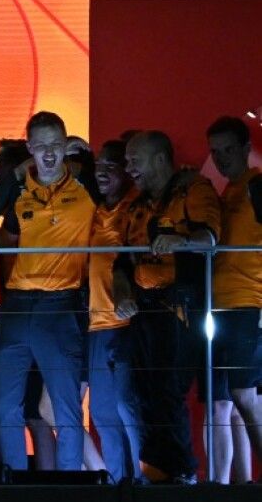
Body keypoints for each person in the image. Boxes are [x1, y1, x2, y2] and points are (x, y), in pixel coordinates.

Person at [0, 111, 96, 475]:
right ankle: (14, 483)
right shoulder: (20, 191)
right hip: (16, 306)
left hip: (62, 304)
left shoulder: (86, 185)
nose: (49, 154)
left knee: (66, 409)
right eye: (40, 146)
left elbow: (122, 185)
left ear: (66, 146)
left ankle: (68, 487)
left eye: (56, 145)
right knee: (7, 407)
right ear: (30, 148)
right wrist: (17, 173)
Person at [122, 129, 222, 483]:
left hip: (180, 308)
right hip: (143, 311)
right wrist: (123, 294)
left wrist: (179, 241)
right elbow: (122, 262)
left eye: (135, 160)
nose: (128, 168)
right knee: (143, 392)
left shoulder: (193, 190)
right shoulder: (136, 205)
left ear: (161, 159)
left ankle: (182, 475)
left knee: (168, 391)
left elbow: (210, 238)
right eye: (126, 161)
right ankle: (155, 474)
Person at [207, 115, 262, 482]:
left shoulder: (256, 186)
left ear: (246, 149)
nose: (222, 158)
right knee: (226, 402)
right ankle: (237, 484)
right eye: (216, 152)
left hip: (247, 304)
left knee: (245, 397)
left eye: (228, 150)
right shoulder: (226, 192)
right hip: (220, 306)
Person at [86, 137, 142, 483]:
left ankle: (143, 483)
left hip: (127, 324)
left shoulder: (137, 208)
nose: (102, 172)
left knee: (129, 409)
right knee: (103, 413)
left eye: (111, 165)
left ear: (127, 170)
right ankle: (118, 484)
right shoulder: (94, 210)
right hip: (96, 324)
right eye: (99, 165)